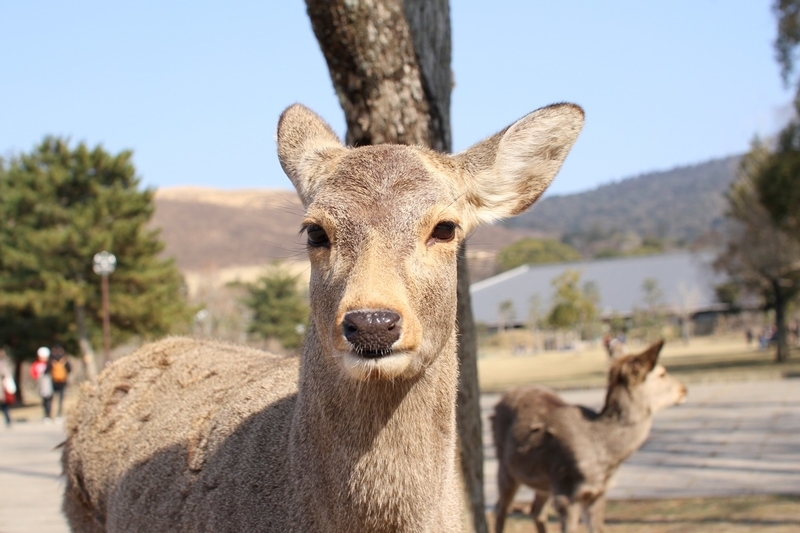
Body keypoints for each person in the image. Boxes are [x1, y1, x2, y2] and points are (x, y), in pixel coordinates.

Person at [30, 346, 54, 423]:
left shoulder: (50, 363)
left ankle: (49, 414)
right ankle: (46, 415)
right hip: (41, 385)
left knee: (49, 400)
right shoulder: (36, 364)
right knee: (44, 400)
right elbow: (33, 373)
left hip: (50, 384)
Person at [48, 344, 71, 420]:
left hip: (53, 381)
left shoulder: (51, 360)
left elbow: (46, 370)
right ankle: (59, 414)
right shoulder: (64, 360)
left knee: (52, 398)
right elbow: (69, 369)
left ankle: (51, 414)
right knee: (61, 398)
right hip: (62, 381)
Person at [0, 348, 14, 427]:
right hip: (2, 387)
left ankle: (8, 419)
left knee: (6, 404)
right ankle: (7, 419)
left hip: (4, 387)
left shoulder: (6, 363)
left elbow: (5, 373)